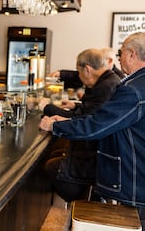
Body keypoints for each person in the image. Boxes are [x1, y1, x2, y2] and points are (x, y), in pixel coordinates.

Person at [39, 32, 145, 231]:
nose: (118, 58)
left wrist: (54, 126)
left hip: (141, 186)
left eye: (121, 53)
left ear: (132, 54)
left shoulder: (135, 90)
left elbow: (95, 126)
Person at [43, 48, 121, 202]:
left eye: (78, 72)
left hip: (97, 156)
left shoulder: (105, 86)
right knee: (54, 155)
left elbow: (86, 121)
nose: (78, 76)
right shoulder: (108, 80)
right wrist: (73, 109)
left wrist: (53, 122)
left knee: (52, 166)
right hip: (99, 150)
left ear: (87, 69)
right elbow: (88, 113)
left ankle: (83, 204)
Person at [49, 47, 125, 90]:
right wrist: (61, 73)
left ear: (109, 60)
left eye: (100, 59)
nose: (98, 62)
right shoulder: (107, 77)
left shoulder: (110, 82)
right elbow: (80, 74)